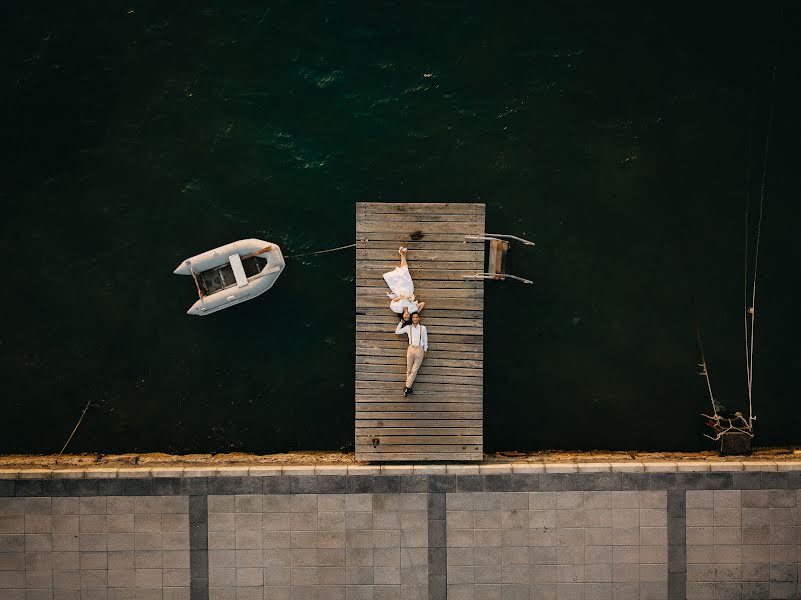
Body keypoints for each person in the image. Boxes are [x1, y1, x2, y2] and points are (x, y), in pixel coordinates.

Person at [383, 247, 425, 316]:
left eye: (405, 317)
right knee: (405, 272)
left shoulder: (399, 309)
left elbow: (392, 302)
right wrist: (416, 313)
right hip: (409, 289)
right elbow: (422, 304)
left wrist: (401, 297)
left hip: (401, 290)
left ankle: (402, 253)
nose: (406, 316)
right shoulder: (411, 309)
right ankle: (402, 254)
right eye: (408, 317)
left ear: (402, 316)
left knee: (404, 272)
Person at [395, 311, 428, 397]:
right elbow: (397, 332)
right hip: (411, 348)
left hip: (419, 349)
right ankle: (408, 389)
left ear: (419, 318)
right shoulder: (408, 327)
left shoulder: (423, 328)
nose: (415, 319)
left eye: (416, 317)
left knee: (414, 370)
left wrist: (425, 350)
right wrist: (401, 322)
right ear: (411, 319)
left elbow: (425, 339)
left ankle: (407, 387)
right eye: (413, 317)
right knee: (409, 370)